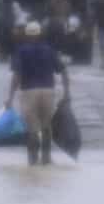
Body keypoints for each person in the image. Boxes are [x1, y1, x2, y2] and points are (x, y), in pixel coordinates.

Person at [5, 21, 71, 166]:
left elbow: (17, 75)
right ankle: (46, 160)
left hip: (29, 92)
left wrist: (10, 97)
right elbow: (64, 71)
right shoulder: (49, 50)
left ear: (26, 35)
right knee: (47, 127)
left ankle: (32, 163)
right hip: (48, 91)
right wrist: (66, 93)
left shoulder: (21, 51)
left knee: (32, 129)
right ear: (40, 34)